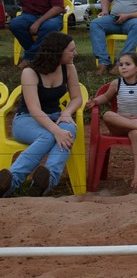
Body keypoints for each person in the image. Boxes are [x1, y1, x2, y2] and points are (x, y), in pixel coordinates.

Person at [0, 32, 82, 198]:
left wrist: (67, 112)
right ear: (58, 52)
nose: (75, 53)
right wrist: (56, 131)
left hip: (55, 115)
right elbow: (34, 109)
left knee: (69, 128)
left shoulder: (69, 68)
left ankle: (44, 182)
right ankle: (11, 181)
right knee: (48, 136)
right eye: (71, 50)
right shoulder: (29, 72)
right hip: (26, 120)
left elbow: (77, 98)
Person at [86, 52, 137, 192]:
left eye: (127, 64)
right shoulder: (116, 83)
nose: (123, 67)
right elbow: (106, 96)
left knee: (136, 132)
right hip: (121, 124)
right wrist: (95, 101)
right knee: (108, 115)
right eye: (121, 64)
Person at [0, 0, 65, 68]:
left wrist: (38, 22)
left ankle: (30, 57)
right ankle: (37, 56)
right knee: (15, 24)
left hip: (51, 16)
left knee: (50, 26)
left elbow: (58, 8)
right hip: (29, 16)